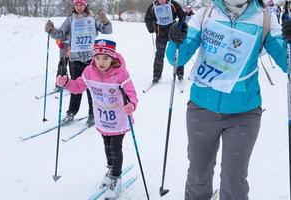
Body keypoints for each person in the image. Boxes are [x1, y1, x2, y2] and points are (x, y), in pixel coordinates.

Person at [166, 0, 291, 199]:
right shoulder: (205, 14)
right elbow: (176, 59)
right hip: (202, 108)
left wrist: (289, 41)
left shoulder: (264, 19)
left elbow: (287, 63)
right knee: (198, 175)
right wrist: (174, 40)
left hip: (243, 113)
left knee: (234, 180)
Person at [56, 34, 138, 199]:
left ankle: (116, 177)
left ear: (112, 58)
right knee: (107, 146)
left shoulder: (121, 74)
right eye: (98, 57)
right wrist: (66, 83)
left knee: (115, 147)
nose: (101, 62)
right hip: (103, 118)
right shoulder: (89, 71)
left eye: (105, 58)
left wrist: (131, 105)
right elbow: (78, 87)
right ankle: (110, 168)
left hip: (119, 118)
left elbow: (131, 94)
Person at [44, 0, 112, 127]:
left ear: (85, 5)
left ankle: (93, 114)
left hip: (91, 60)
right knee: (75, 88)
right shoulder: (70, 20)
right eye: (77, 5)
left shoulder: (92, 19)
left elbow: (107, 31)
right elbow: (61, 34)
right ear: (74, 5)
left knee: (92, 89)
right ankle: (71, 113)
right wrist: (51, 30)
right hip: (75, 59)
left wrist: (105, 21)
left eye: (81, 5)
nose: (79, 7)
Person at [144, 0, 186, 83]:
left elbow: (182, 15)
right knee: (159, 55)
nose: (162, 1)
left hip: (173, 33)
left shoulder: (173, 4)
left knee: (176, 53)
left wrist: (181, 25)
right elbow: (148, 18)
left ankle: (180, 74)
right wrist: (150, 28)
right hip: (161, 34)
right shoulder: (152, 6)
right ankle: (156, 76)